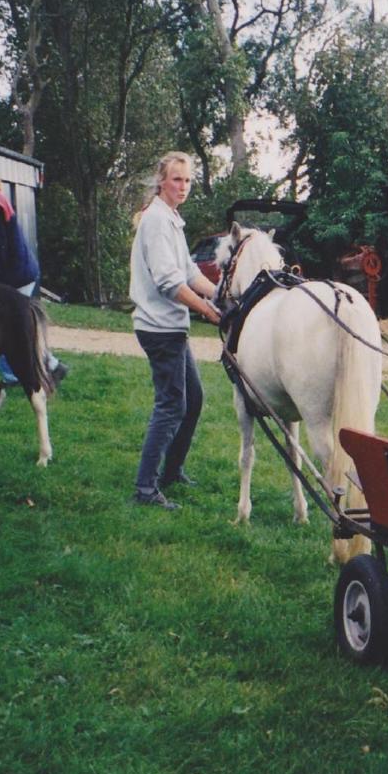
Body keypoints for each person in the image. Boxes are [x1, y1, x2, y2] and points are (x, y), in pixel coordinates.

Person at [129, 151, 221, 510]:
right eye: (176, 179)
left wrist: (221, 295)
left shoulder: (172, 220)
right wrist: (208, 312)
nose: (182, 186)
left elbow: (190, 273)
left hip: (172, 327)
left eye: (187, 180)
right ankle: (145, 489)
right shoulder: (155, 221)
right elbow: (170, 283)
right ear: (162, 181)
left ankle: (171, 472)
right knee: (170, 405)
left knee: (192, 400)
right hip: (160, 328)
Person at [0, 152, 68, 385]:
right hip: (13, 273)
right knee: (15, 326)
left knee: (7, 326)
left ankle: (15, 374)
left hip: (16, 275)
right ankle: (52, 365)